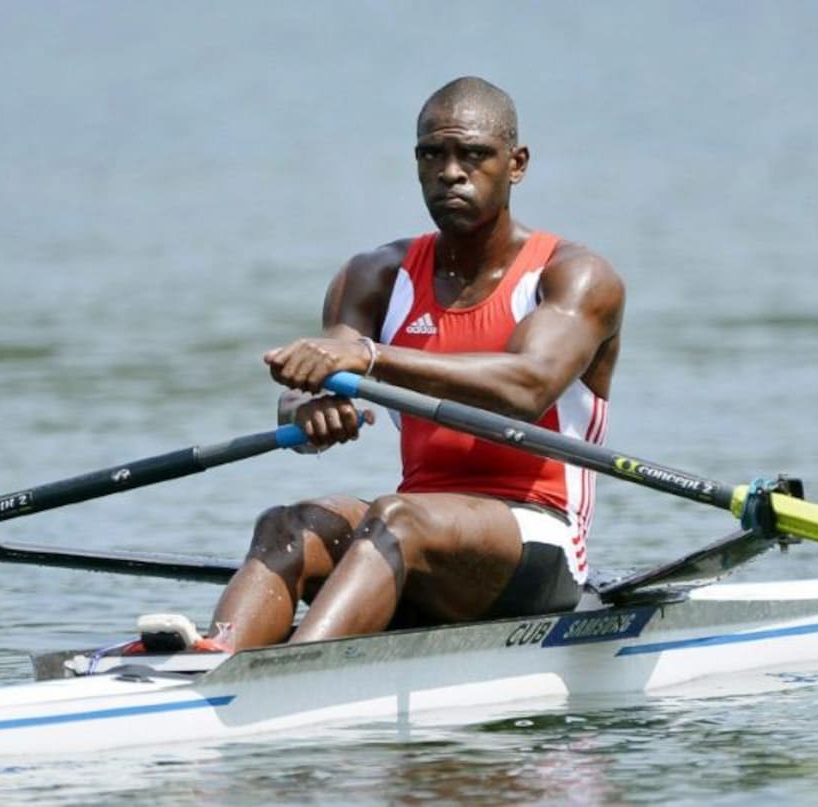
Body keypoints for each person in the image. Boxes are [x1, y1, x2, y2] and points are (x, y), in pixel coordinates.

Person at [196, 76, 624, 652]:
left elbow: (528, 387)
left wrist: (372, 358)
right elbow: (320, 378)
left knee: (398, 518)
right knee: (289, 523)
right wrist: (310, 411)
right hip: (419, 528)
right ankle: (211, 663)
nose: (451, 171)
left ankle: (281, 681)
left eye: (473, 155)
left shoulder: (575, 276)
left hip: (538, 536)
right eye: (433, 155)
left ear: (516, 164)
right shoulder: (375, 275)